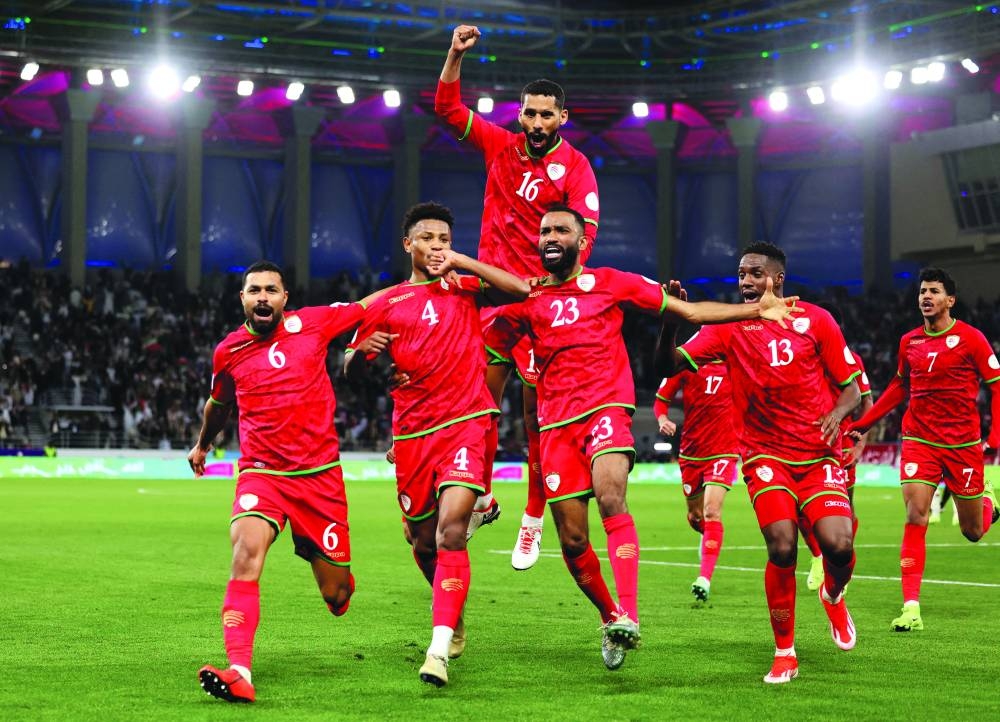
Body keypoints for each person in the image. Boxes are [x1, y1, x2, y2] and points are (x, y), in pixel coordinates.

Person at [485, 207, 798, 671]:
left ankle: (629, 613)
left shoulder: (612, 282)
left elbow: (690, 311)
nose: (551, 236)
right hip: (555, 427)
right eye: (545, 230)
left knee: (612, 495)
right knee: (572, 541)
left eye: (561, 229)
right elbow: (483, 350)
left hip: (606, 410)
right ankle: (610, 616)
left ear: (581, 241)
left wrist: (757, 309)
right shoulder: (526, 300)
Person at [654, 241, 862, 684]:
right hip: (764, 455)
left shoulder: (817, 320)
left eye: (754, 274)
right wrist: (670, 326)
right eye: (741, 274)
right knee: (782, 546)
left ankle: (832, 592)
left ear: (777, 278)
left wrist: (837, 414)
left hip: (817, 453)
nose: (745, 282)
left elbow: (852, 389)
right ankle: (784, 652)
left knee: (840, 548)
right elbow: (667, 364)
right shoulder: (728, 327)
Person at [436, 24, 601, 570]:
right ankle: (482, 494)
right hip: (491, 298)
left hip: (541, 306)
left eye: (544, 115)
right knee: (478, 403)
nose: (533, 123)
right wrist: (455, 54)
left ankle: (532, 518)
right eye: (528, 113)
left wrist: (562, 292)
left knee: (536, 419)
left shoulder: (575, 168)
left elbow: (585, 235)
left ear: (562, 117)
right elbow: (446, 106)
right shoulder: (499, 146)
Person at [344, 202, 529, 687]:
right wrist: (361, 354)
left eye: (445, 238)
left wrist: (464, 261)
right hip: (411, 434)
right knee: (421, 541)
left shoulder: (466, 286)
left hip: (467, 420)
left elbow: (521, 288)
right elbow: (347, 365)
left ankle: (438, 647)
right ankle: (456, 610)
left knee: (449, 532)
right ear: (409, 245)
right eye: (428, 238)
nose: (437, 246)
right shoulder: (386, 302)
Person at [189, 261, 383, 704]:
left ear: (284, 298)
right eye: (254, 290)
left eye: (270, 290)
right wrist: (203, 445)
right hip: (264, 473)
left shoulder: (313, 323)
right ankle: (239, 670)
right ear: (242, 299)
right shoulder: (228, 351)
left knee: (337, 596)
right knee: (245, 554)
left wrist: (412, 290)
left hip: (320, 480)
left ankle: (323, 562)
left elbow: (370, 305)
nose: (262, 297)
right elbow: (218, 406)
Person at [846, 267, 1000, 632]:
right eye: (921, 292)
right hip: (919, 439)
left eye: (933, 291)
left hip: (962, 444)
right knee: (916, 515)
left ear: (950, 300)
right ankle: (910, 608)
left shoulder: (971, 339)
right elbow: (899, 388)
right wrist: (863, 423)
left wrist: (994, 436)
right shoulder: (909, 342)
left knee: (973, 531)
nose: (925, 297)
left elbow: (998, 387)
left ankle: (989, 501)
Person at [653, 358, 739, 603]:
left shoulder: (737, 360)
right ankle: (708, 534)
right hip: (692, 451)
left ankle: (704, 578)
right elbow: (661, 398)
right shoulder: (688, 360)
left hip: (725, 449)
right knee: (696, 517)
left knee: (712, 511)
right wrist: (662, 419)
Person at [802, 303, 874, 592]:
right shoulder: (800, 354)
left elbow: (866, 400)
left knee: (846, 511)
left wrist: (861, 442)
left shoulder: (852, 359)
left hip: (840, 444)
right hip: (802, 443)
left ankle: (836, 568)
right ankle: (819, 556)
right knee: (798, 510)